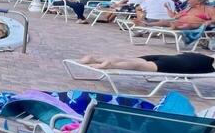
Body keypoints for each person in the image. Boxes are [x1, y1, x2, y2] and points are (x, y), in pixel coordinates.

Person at [78, 53, 215, 74]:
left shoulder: (207, 57)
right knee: (140, 66)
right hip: (180, 65)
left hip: (176, 57)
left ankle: (95, 59)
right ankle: (110, 65)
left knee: (133, 60)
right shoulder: (210, 64)